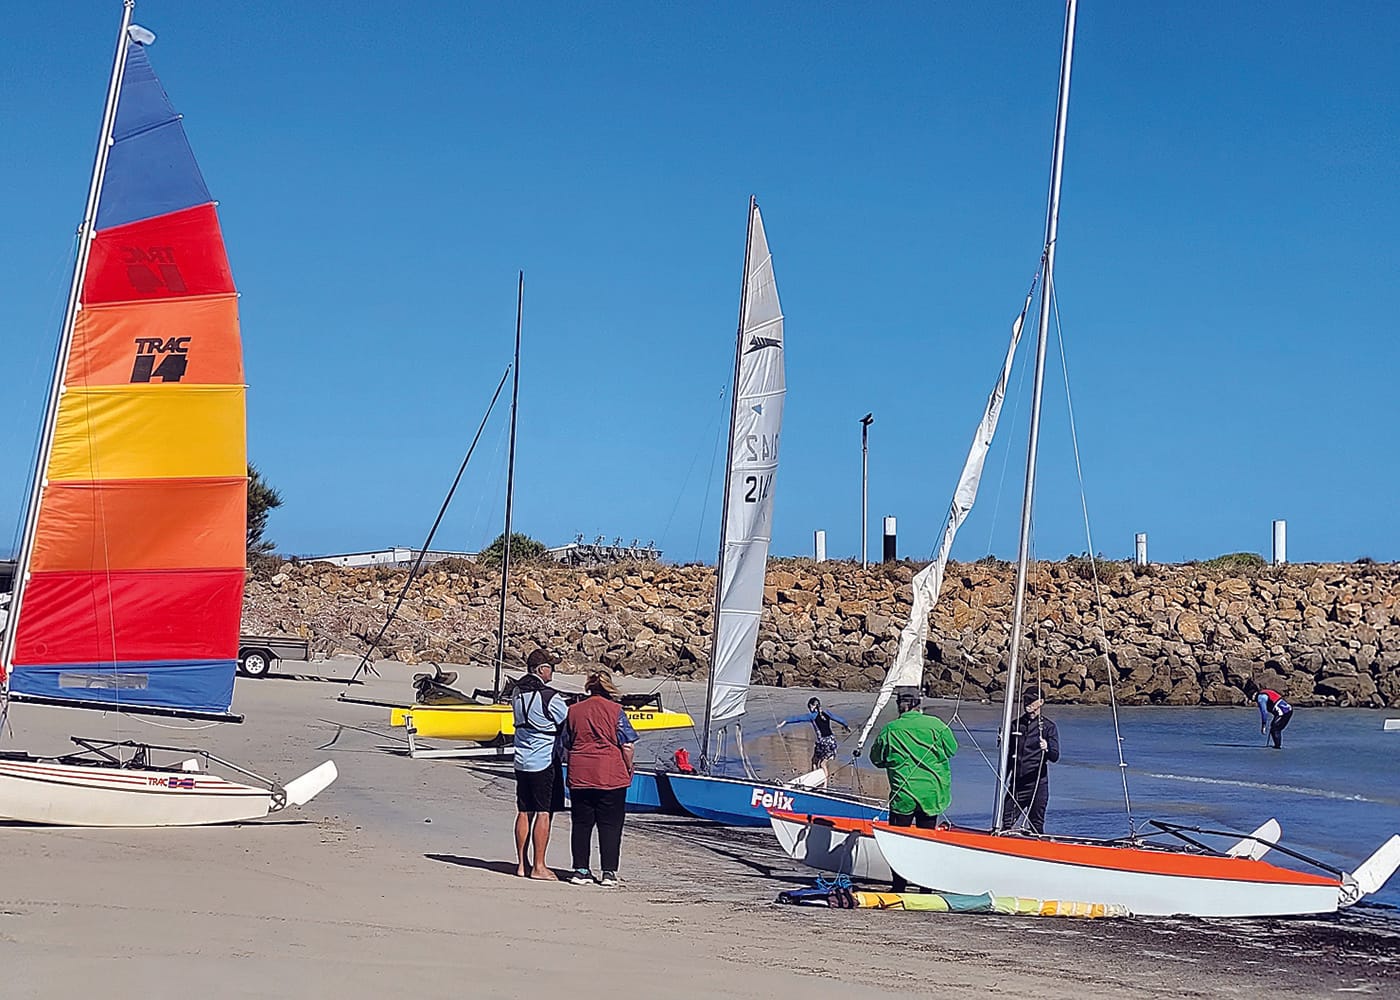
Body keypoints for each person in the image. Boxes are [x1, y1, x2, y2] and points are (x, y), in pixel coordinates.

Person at [869, 687, 958, 893]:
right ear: (919, 704)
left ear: (899, 706)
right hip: (932, 793)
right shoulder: (936, 725)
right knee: (926, 843)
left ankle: (898, 886)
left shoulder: (891, 730)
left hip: (904, 793)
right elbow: (952, 749)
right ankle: (925, 888)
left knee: (899, 843)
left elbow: (876, 759)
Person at [562, 670, 638, 887]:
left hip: (580, 771)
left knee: (581, 823)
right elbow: (627, 744)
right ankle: (609, 872)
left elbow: (567, 742)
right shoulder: (616, 711)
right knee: (610, 824)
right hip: (609, 773)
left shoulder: (573, 710)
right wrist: (628, 766)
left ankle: (580, 869)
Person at [510, 648, 569, 879]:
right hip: (543, 761)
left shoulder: (516, 693)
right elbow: (566, 719)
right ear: (541, 670)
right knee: (544, 812)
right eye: (550, 667)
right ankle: (539, 866)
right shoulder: (549, 696)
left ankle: (522, 865)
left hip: (521, 760)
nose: (552, 670)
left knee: (524, 811)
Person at [1001, 687, 1060, 835]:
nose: (1027, 703)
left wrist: (1047, 748)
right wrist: (1003, 778)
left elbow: (1055, 756)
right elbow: (1009, 755)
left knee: (1036, 825)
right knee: (1006, 823)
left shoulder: (1048, 727)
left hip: (1037, 784)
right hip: (1017, 784)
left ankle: (1039, 851)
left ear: (1041, 702)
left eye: (1031, 700)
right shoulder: (1015, 725)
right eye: (1025, 699)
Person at [777, 697, 851, 777]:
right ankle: (824, 786)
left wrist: (785, 722)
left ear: (812, 706)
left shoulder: (812, 716)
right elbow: (839, 719)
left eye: (809, 707)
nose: (809, 709)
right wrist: (846, 726)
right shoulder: (827, 713)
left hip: (822, 742)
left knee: (816, 761)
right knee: (823, 763)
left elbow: (797, 719)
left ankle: (816, 782)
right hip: (832, 741)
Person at [1244, 679, 1293, 749]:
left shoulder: (1261, 698)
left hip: (1284, 712)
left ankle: (1277, 748)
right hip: (1287, 710)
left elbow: (1264, 712)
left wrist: (1263, 725)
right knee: (1274, 727)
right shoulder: (1265, 692)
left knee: (1275, 729)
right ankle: (1277, 745)